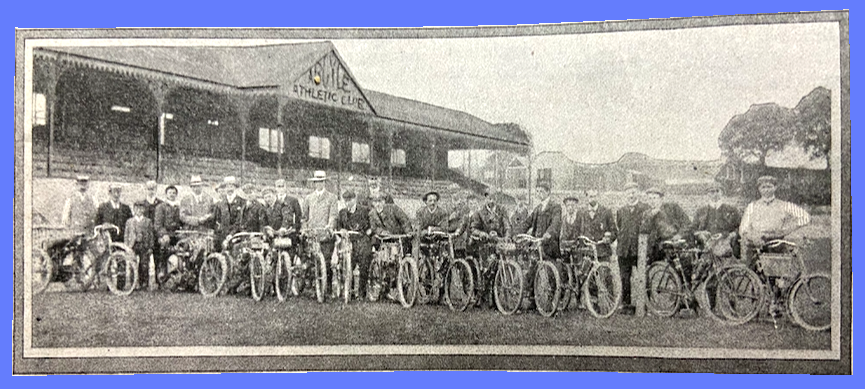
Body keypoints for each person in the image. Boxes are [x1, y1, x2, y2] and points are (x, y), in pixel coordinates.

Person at [738, 175, 811, 262]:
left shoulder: (784, 205)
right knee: (751, 267)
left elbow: (806, 217)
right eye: (763, 187)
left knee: (779, 267)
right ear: (759, 189)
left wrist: (788, 229)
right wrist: (753, 237)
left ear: (775, 187)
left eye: (769, 187)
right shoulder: (752, 206)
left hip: (777, 244)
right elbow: (743, 229)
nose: (766, 190)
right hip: (756, 244)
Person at [615, 182, 650, 313]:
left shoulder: (645, 209)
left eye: (633, 192)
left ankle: (644, 304)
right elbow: (620, 226)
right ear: (625, 194)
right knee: (625, 278)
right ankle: (626, 305)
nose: (631, 195)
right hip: (624, 250)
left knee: (643, 277)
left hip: (639, 249)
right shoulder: (621, 211)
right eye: (628, 192)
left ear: (638, 193)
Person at [336, 190, 373, 300]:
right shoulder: (342, 213)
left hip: (362, 241)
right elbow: (338, 226)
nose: (347, 203)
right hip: (348, 242)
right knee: (346, 264)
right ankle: (349, 290)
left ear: (355, 199)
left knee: (364, 263)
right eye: (345, 201)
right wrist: (341, 230)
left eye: (350, 200)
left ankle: (362, 292)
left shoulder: (364, 211)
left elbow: (371, 225)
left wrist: (368, 231)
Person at [690, 183, 741, 253]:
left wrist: (726, 235)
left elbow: (740, 228)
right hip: (706, 247)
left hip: (727, 247)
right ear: (707, 194)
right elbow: (693, 229)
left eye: (717, 191)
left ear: (722, 193)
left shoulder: (731, 210)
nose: (715, 194)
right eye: (712, 192)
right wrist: (701, 234)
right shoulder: (701, 211)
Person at [522, 183, 562, 260]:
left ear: (548, 192)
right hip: (536, 244)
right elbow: (527, 223)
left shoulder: (555, 207)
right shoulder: (538, 208)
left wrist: (548, 234)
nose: (539, 194)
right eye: (537, 191)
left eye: (541, 191)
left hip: (549, 246)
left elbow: (555, 224)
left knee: (549, 266)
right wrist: (517, 233)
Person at [641, 187, 679, 263]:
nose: (652, 201)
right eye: (650, 199)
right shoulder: (646, 214)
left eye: (654, 198)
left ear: (661, 199)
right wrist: (651, 216)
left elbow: (673, 229)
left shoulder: (668, 211)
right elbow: (643, 230)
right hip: (652, 250)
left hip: (667, 248)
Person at [153, 185, 182, 285]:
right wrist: (164, 234)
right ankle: (162, 272)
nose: (172, 195)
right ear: (166, 194)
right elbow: (157, 225)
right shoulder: (161, 207)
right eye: (170, 193)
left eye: (174, 193)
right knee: (164, 245)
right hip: (164, 235)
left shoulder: (178, 208)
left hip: (176, 235)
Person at [580, 189, 617, 260]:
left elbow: (614, 231)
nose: (593, 199)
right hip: (587, 254)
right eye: (591, 196)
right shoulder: (582, 213)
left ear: (598, 196)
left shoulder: (606, 212)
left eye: (595, 196)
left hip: (603, 253)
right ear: (586, 197)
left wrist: (608, 239)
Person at [125, 201, 154, 290]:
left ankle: (144, 283)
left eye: (141, 208)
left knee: (144, 264)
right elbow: (126, 234)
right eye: (136, 208)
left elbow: (151, 235)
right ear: (134, 209)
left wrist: (150, 247)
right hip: (133, 245)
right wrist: (126, 246)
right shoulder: (129, 221)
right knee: (132, 264)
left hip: (144, 245)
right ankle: (133, 283)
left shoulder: (148, 221)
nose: (139, 210)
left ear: (144, 210)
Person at [414, 191, 450, 259]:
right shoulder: (420, 212)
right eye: (430, 201)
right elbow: (418, 225)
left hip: (437, 238)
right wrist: (422, 232)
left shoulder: (442, 213)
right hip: (424, 238)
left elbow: (444, 227)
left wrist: (431, 229)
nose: (433, 203)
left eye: (435, 201)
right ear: (426, 202)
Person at [212, 176, 246, 249]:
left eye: (231, 186)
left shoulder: (242, 202)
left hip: (236, 237)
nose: (229, 189)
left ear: (235, 187)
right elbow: (217, 221)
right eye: (227, 187)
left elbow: (239, 222)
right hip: (223, 237)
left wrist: (231, 234)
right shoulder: (220, 204)